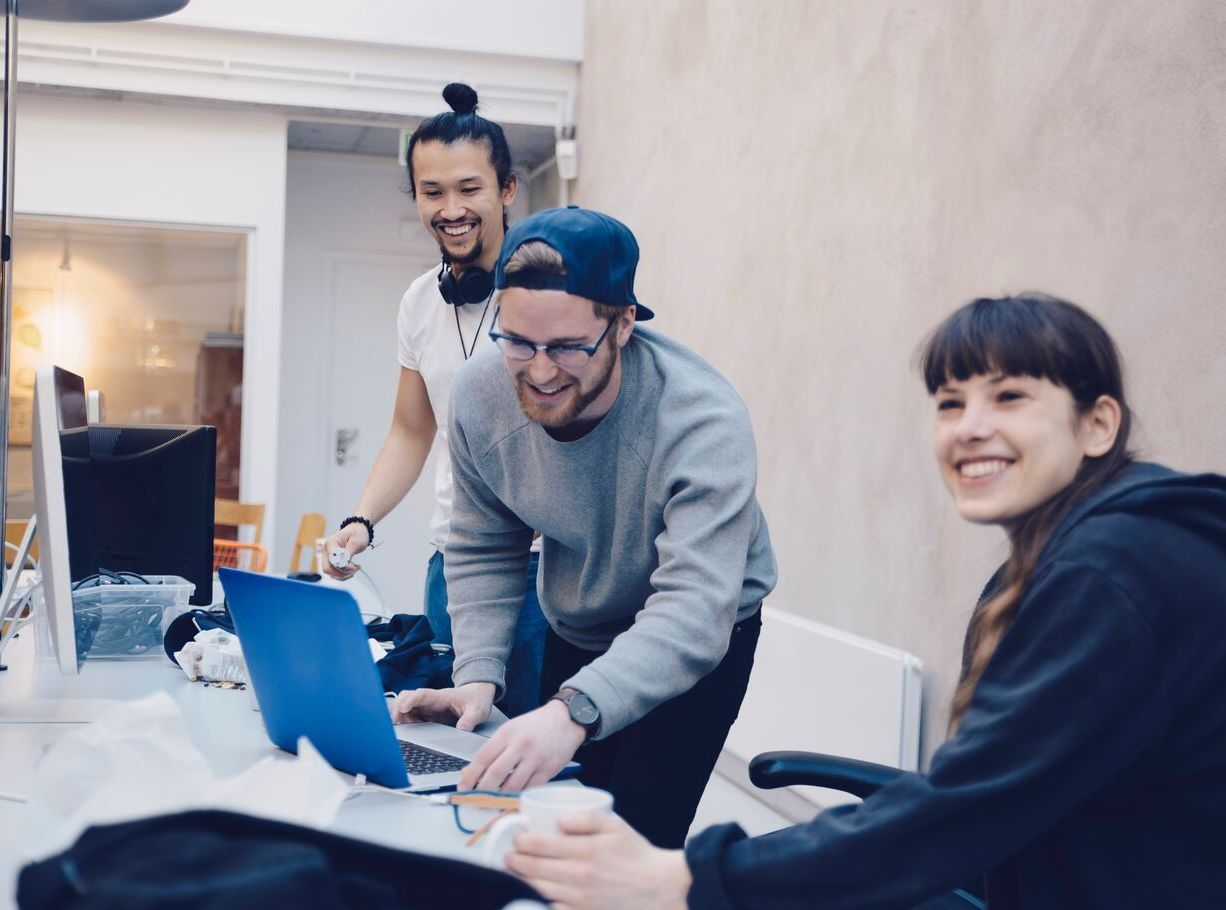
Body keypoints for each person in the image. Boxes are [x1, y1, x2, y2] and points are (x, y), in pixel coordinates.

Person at [502, 294, 1226, 909]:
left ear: (1098, 424)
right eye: (951, 402)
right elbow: (986, 795)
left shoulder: (1113, 574)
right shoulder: (1067, 559)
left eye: (1010, 397)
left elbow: (964, 809)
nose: (970, 426)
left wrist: (686, 877)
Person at [393, 206, 778, 848]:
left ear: (624, 323)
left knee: (629, 846)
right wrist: (477, 678)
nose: (540, 373)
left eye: (570, 347)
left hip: (699, 633)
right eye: (518, 341)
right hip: (580, 620)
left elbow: (692, 609)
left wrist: (572, 711)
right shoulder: (481, 395)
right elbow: (486, 542)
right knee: (552, 828)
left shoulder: (703, 420)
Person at [321, 83, 547, 718]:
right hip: (451, 560)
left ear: (507, 189)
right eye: (433, 191)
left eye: (470, 188)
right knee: (446, 743)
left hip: (539, 572)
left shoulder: (550, 292)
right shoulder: (419, 302)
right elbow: (411, 432)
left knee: (520, 754)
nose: (452, 208)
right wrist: (362, 520)